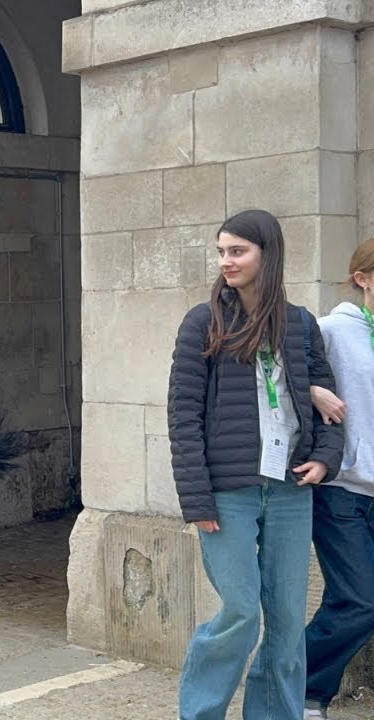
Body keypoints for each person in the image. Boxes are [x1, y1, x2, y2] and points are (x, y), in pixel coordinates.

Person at [167, 209, 344, 719]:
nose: (227, 261)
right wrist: (196, 497)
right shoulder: (204, 322)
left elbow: (329, 405)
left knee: (288, 623)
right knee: (242, 612)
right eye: (222, 251)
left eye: (238, 251)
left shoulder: (301, 323)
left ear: (268, 255)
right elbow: (183, 414)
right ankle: (200, 713)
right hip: (228, 493)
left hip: (290, 488)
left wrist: (325, 463)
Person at [299, 238, 374, 719]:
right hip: (343, 489)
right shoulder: (330, 328)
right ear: (363, 279)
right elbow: (276, 373)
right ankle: (300, 689)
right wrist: (314, 391)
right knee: (359, 600)